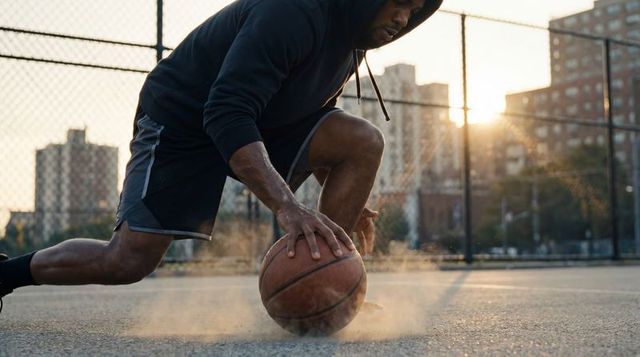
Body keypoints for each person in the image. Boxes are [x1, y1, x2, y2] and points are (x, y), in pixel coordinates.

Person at [0, 0, 442, 312]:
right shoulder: (293, 13)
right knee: (128, 260)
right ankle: (6, 275)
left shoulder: (350, 40)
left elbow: (311, 114)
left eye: (414, 12)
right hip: (183, 120)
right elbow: (226, 111)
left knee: (362, 141)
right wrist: (287, 206)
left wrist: (342, 191)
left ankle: (330, 286)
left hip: (258, 118)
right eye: (398, 4)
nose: (403, 20)